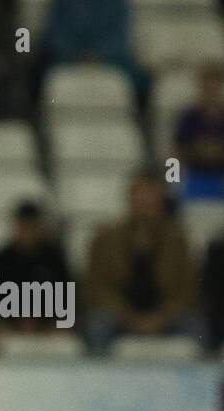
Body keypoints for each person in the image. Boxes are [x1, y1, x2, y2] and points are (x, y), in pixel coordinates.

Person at [85, 172, 202, 352]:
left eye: (150, 204)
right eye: (141, 203)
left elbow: (187, 289)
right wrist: (126, 315)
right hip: (120, 313)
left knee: (195, 327)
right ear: (130, 203)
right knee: (98, 325)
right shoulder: (105, 239)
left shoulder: (177, 241)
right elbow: (97, 286)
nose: (145, 210)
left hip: (165, 314)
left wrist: (161, 317)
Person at [0, 201, 73, 337]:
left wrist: (42, 322)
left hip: (47, 328)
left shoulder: (54, 260)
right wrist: (15, 321)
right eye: (24, 226)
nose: (28, 231)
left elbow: (66, 302)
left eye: (33, 226)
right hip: (8, 327)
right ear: (16, 226)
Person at [173, 63, 224, 202]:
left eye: (215, 86)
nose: (211, 91)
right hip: (194, 177)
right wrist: (172, 180)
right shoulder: (188, 117)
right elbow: (175, 151)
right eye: (208, 86)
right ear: (201, 87)